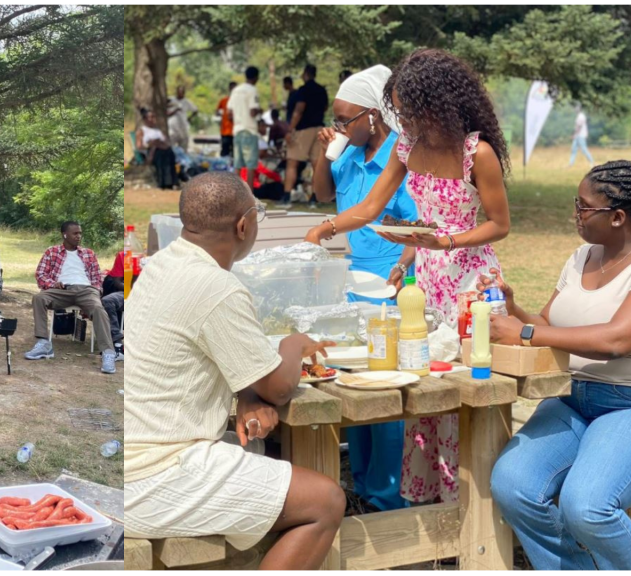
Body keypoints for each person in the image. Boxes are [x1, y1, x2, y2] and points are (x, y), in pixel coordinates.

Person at [306, 48, 511, 505]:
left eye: (409, 109)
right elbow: (369, 207)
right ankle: (428, 501)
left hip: (470, 277)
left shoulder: (476, 152)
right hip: (428, 277)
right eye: (398, 109)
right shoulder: (406, 147)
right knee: (427, 383)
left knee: (470, 385)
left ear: (437, 102)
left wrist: (449, 242)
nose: (402, 118)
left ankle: (476, 498)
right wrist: (327, 227)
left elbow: (500, 223)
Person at [123, 172, 345, 569]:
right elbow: (278, 388)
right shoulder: (217, 287)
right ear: (244, 225)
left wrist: (245, 393)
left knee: (266, 452)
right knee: (325, 501)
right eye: (258, 213)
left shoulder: (158, 266)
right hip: (157, 473)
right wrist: (294, 344)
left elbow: (209, 352)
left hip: (136, 454)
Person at [484, 161, 631, 570]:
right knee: (513, 484)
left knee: (587, 506)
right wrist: (513, 308)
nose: (576, 213)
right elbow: (549, 325)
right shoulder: (581, 256)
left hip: (629, 404)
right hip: (569, 396)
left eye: (584, 206)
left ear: (618, 217)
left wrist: (527, 334)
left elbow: (617, 339)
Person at [311, 65, 416, 512]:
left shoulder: (399, 157)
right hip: (354, 280)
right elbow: (319, 195)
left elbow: (417, 226)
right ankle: (363, 482)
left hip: (391, 280)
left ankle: (385, 494)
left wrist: (404, 266)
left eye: (345, 119)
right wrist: (326, 153)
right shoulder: (350, 154)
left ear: (373, 116)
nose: (340, 127)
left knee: (385, 388)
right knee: (354, 383)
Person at [25, 221, 117, 374]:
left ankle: (108, 352)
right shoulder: (52, 251)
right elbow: (40, 274)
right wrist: (53, 283)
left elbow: (96, 277)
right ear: (65, 234)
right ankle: (43, 343)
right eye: (75, 233)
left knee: (98, 309)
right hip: (61, 290)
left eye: (80, 233)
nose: (79, 236)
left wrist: (95, 291)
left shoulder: (89, 253)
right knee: (39, 298)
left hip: (86, 290)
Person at [283, 65, 329, 205]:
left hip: (304, 129)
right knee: (316, 164)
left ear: (306, 74)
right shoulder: (322, 90)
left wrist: (290, 129)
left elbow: (299, 110)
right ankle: (314, 199)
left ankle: (286, 197)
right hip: (319, 128)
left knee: (292, 163)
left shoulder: (303, 90)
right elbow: (326, 107)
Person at [228, 66, 262, 192]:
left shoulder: (236, 90)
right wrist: (260, 110)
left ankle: (235, 194)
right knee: (250, 165)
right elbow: (253, 112)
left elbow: (229, 113)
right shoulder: (252, 90)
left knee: (237, 164)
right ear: (256, 77)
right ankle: (249, 195)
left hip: (237, 130)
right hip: (249, 129)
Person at [101, 251, 138, 361]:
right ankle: (118, 346)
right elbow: (117, 282)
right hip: (129, 292)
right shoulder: (127, 256)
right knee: (107, 301)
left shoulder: (161, 256)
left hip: (155, 295)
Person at [138, 109, 178, 190]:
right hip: (151, 153)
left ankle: (171, 182)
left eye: (154, 117)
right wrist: (150, 144)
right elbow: (139, 146)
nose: (153, 119)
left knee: (170, 153)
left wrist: (160, 143)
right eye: (150, 117)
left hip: (163, 149)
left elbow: (167, 142)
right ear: (145, 119)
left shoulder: (158, 131)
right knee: (161, 155)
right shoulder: (142, 131)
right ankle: (162, 183)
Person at [167, 85, 198, 152]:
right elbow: (167, 113)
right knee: (171, 148)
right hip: (172, 129)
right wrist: (176, 110)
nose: (180, 94)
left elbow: (195, 110)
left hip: (183, 128)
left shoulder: (187, 102)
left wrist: (190, 118)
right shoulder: (171, 100)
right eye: (179, 92)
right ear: (176, 92)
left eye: (182, 92)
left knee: (183, 149)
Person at [215, 82, 238, 158]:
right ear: (229, 89)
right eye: (232, 88)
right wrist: (221, 114)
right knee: (225, 151)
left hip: (236, 130)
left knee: (236, 152)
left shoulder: (239, 101)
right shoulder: (224, 100)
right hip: (225, 130)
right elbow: (217, 111)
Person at [569, 103, 595, 169]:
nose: (575, 109)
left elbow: (579, 127)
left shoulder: (581, 116)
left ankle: (592, 162)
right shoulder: (578, 116)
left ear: (579, 109)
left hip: (581, 135)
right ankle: (570, 164)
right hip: (577, 135)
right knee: (573, 149)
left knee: (584, 149)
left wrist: (574, 134)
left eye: (576, 108)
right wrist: (575, 134)